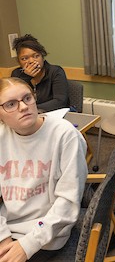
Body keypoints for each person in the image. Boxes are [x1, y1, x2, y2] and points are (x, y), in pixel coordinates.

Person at [0, 77, 88, 262]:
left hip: (46, 233)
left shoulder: (65, 135)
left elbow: (68, 202)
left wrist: (28, 245)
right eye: (10, 104)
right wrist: (3, 237)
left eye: (27, 98)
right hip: (7, 228)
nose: (23, 107)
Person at [11, 34, 69, 113]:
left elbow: (60, 101)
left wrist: (32, 109)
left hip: (54, 114)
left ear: (42, 56)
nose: (31, 61)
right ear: (19, 62)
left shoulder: (55, 71)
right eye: (24, 58)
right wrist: (26, 77)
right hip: (26, 116)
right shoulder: (17, 75)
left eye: (36, 56)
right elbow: (14, 100)